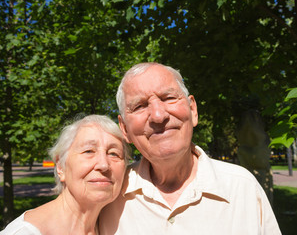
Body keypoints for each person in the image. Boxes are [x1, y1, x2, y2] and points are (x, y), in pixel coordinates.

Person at [99, 62, 282, 234]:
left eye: (168, 98)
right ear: (124, 129)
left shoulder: (242, 187)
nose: (158, 115)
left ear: (193, 110)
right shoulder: (107, 196)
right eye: (139, 106)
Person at [1, 115, 129, 235]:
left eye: (114, 154)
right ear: (60, 167)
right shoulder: (25, 232)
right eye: (88, 151)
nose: (103, 165)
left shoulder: (112, 227)